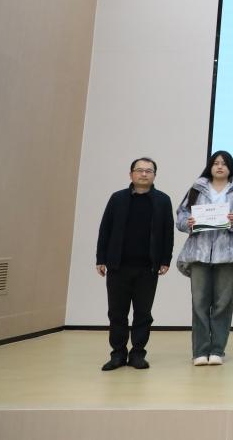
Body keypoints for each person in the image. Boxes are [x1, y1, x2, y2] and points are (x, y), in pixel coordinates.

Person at [95, 157, 174, 371]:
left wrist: (165, 260)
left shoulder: (163, 200)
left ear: (154, 175)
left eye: (149, 171)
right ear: (131, 174)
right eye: (139, 170)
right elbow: (105, 229)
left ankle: (138, 353)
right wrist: (101, 258)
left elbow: (168, 233)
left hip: (148, 268)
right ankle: (118, 354)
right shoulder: (117, 198)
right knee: (117, 313)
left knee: (143, 314)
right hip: (118, 266)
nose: (144, 174)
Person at [174, 150, 233, 365]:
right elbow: (180, 216)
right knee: (199, 303)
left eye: (224, 163)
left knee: (222, 304)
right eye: (215, 163)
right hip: (198, 254)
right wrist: (188, 222)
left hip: (228, 256)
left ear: (230, 168)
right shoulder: (196, 189)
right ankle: (200, 351)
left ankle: (217, 350)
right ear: (210, 166)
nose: (219, 167)